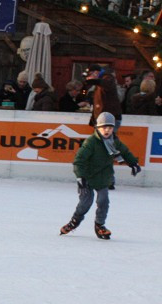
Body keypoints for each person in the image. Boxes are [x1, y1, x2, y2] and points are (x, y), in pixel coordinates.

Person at [59, 112, 140, 240]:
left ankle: (100, 226)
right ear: (97, 128)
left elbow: (125, 152)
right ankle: (74, 222)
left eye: (110, 127)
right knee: (86, 202)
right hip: (87, 177)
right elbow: (79, 160)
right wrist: (80, 177)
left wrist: (133, 163)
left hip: (103, 177)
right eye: (104, 127)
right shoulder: (91, 142)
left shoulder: (114, 142)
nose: (107, 130)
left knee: (103, 202)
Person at [85, 64, 122, 128]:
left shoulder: (108, 78)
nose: (89, 77)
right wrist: (93, 119)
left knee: (106, 137)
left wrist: (93, 81)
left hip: (109, 118)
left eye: (90, 74)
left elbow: (106, 83)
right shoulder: (101, 82)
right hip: (104, 118)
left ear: (96, 72)